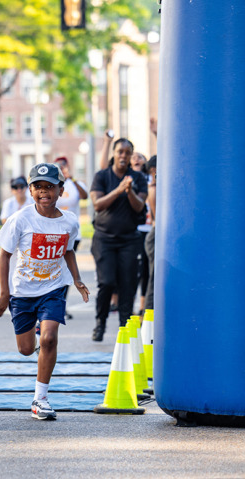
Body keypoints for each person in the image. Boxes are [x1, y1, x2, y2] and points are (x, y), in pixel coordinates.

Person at [0, 163, 89, 420]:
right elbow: (3, 256)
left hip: (53, 288)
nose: (44, 192)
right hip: (23, 292)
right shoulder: (21, 219)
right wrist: (4, 293)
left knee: (49, 339)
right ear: (30, 189)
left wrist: (76, 279)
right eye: (38, 187)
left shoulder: (69, 221)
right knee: (26, 349)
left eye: (50, 187)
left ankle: (40, 399)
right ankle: (36, 336)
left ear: (61, 190)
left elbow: (68, 250)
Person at [90, 138, 148, 341]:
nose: (123, 156)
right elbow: (97, 204)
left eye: (127, 152)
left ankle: (125, 328)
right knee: (106, 282)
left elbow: (139, 207)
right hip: (104, 239)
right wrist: (118, 189)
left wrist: (129, 190)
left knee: (128, 284)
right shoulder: (102, 176)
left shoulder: (138, 178)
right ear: (114, 153)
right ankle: (100, 323)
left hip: (129, 240)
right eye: (120, 151)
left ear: (131, 155)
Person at [53, 156, 88, 319]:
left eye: (63, 166)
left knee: (66, 270)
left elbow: (85, 196)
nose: (61, 168)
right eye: (58, 166)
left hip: (72, 233)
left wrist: (71, 178)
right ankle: (52, 305)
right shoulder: (52, 184)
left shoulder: (75, 184)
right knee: (54, 270)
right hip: (53, 232)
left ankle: (61, 306)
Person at [144, 155, 157, 311]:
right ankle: (148, 315)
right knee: (154, 279)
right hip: (154, 236)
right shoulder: (153, 188)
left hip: (154, 235)